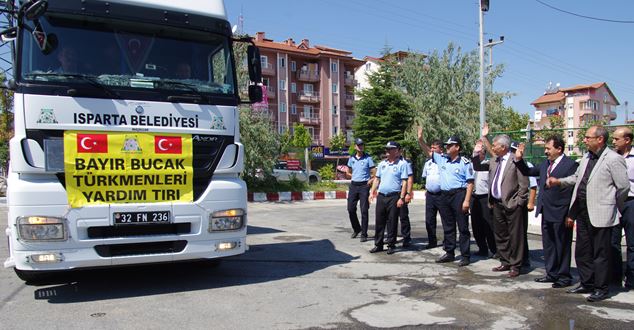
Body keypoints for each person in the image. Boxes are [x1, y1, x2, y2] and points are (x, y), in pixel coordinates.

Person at [547, 126, 629, 302]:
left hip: (602, 213)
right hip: (582, 212)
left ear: (600, 139)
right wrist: (558, 181)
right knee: (583, 252)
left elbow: (623, 187)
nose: (584, 140)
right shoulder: (586, 157)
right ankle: (587, 283)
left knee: (600, 253)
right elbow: (577, 179)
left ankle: (601, 288)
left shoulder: (613, 159)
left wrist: (611, 204)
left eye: (587, 137)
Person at [514, 136, 578, 288]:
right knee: (549, 244)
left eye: (548, 148)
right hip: (546, 210)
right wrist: (519, 160)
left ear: (559, 149)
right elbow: (528, 171)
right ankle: (551, 273)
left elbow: (573, 191)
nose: (546, 151)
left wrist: (571, 214)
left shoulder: (571, 165)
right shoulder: (545, 164)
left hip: (561, 212)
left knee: (562, 245)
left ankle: (563, 277)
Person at [477, 127, 529, 278]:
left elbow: (524, 183)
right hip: (497, 204)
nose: (492, 148)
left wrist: (520, 201)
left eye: (495, 146)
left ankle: (516, 265)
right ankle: (505, 261)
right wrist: (478, 150)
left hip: (512, 204)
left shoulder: (515, 160)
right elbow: (477, 166)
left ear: (504, 147)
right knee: (500, 234)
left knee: (515, 236)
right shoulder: (495, 160)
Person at [418, 127, 474, 267]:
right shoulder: (442, 160)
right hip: (444, 196)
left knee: (462, 227)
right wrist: (420, 139)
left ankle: (465, 255)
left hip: (459, 195)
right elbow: (428, 152)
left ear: (457, 147)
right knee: (448, 226)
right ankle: (449, 252)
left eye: (450, 145)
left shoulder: (465, 163)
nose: (447, 148)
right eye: (446, 146)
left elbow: (470, 183)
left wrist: (467, 200)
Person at [369, 141, 409, 255]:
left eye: (390, 149)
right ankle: (378, 244)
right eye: (386, 149)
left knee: (392, 221)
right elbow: (377, 179)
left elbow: (404, 182)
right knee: (379, 220)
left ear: (396, 150)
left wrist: (401, 197)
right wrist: (372, 192)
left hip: (394, 196)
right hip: (382, 195)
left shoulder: (402, 164)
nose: (387, 151)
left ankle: (391, 244)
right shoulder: (382, 164)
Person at [611, 127, 634, 290]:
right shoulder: (611, 158)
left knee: (632, 243)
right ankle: (614, 278)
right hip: (613, 203)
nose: (613, 142)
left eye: (616, 139)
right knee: (612, 242)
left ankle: (631, 278)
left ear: (627, 140)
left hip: (631, 202)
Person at [470, 140, 497, 257]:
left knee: (488, 225)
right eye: (474, 152)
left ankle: (494, 249)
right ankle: (482, 248)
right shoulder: (471, 165)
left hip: (485, 197)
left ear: (484, 154)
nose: (475, 154)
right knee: (476, 225)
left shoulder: (488, 164)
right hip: (474, 197)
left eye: (478, 152)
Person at [346, 138, 376, 242]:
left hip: (364, 186)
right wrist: (353, 175)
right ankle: (357, 228)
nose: (361, 147)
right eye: (359, 145)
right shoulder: (351, 158)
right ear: (355, 147)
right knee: (350, 209)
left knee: (364, 211)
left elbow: (374, 173)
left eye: (362, 145)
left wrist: (371, 180)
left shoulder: (368, 158)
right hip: (354, 186)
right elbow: (348, 172)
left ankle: (364, 233)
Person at [421, 140, 443, 250]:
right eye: (431, 148)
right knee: (429, 219)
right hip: (430, 195)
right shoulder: (428, 163)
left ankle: (448, 241)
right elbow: (426, 177)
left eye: (435, 148)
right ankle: (432, 241)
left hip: (442, 194)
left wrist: (421, 140)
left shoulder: (444, 161)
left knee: (445, 219)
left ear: (441, 149)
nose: (432, 150)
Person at [397, 147, 414, 248]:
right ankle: (391, 237)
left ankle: (406, 237)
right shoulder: (389, 162)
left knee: (403, 216)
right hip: (392, 192)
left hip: (402, 191)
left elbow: (410, 179)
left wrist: (408, 193)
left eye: (397, 150)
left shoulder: (406, 163)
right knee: (390, 217)